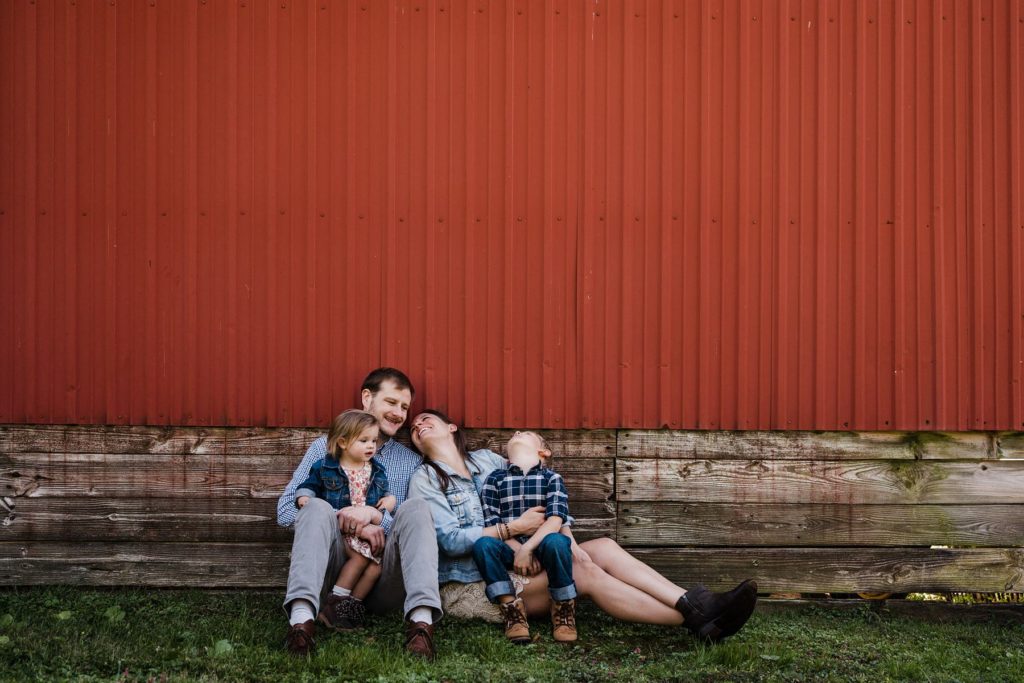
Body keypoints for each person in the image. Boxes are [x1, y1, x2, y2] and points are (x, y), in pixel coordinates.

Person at [407, 409, 758, 642]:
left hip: (524, 561)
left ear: (452, 427)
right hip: (476, 582)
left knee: (600, 548)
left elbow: (537, 490)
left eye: (426, 419)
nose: (419, 425)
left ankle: (694, 603)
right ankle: (694, 621)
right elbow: (450, 541)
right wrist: (514, 532)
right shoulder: (424, 478)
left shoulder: (487, 461)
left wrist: (568, 539)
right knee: (585, 574)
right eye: (414, 428)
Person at [277, 368, 440, 659]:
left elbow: (415, 528)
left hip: (383, 576)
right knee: (314, 506)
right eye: (391, 402)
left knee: (418, 507)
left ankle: (421, 626)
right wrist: (350, 520)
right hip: (333, 572)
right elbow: (286, 510)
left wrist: (376, 518)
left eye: (404, 407)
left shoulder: (410, 462)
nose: (398, 413)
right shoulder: (324, 450)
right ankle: (301, 623)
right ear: (367, 398)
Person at [472, 430, 579, 643]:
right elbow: (493, 522)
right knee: (483, 544)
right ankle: (512, 610)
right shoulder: (495, 479)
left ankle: (563, 608)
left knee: (557, 541)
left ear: (543, 451)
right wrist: (518, 550)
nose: (517, 432)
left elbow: (556, 520)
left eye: (526, 433)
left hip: (542, 546)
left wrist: (528, 548)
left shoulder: (552, 478)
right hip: (508, 548)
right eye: (515, 433)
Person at [294, 410, 396, 630]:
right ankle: (334, 604)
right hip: (340, 532)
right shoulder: (325, 467)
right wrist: (305, 497)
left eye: (374, 441)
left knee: (375, 568)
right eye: (364, 440)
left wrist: (389, 501)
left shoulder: (377, 470)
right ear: (342, 442)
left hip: (366, 530)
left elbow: (384, 496)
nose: (371, 446)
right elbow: (309, 486)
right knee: (360, 559)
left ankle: (348, 610)